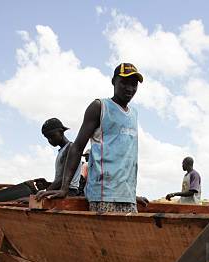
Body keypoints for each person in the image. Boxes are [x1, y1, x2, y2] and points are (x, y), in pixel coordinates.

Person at [37, 63, 148, 213]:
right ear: (113, 81)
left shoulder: (134, 113)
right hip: (104, 195)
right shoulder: (100, 107)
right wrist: (64, 188)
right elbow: (77, 147)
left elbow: (125, 158)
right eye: (124, 83)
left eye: (133, 84)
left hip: (126, 197)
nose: (129, 88)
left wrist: (131, 194)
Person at [35, 118, 83, 197]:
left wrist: (45, 192)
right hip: (63, 190)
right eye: (47, 138)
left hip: (69, 192)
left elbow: (62, 179)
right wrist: (48, 184)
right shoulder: (62, 150)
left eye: (52, 136)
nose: (50, 140)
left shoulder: (70, 148)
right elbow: (61, 180)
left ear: (61, 132)